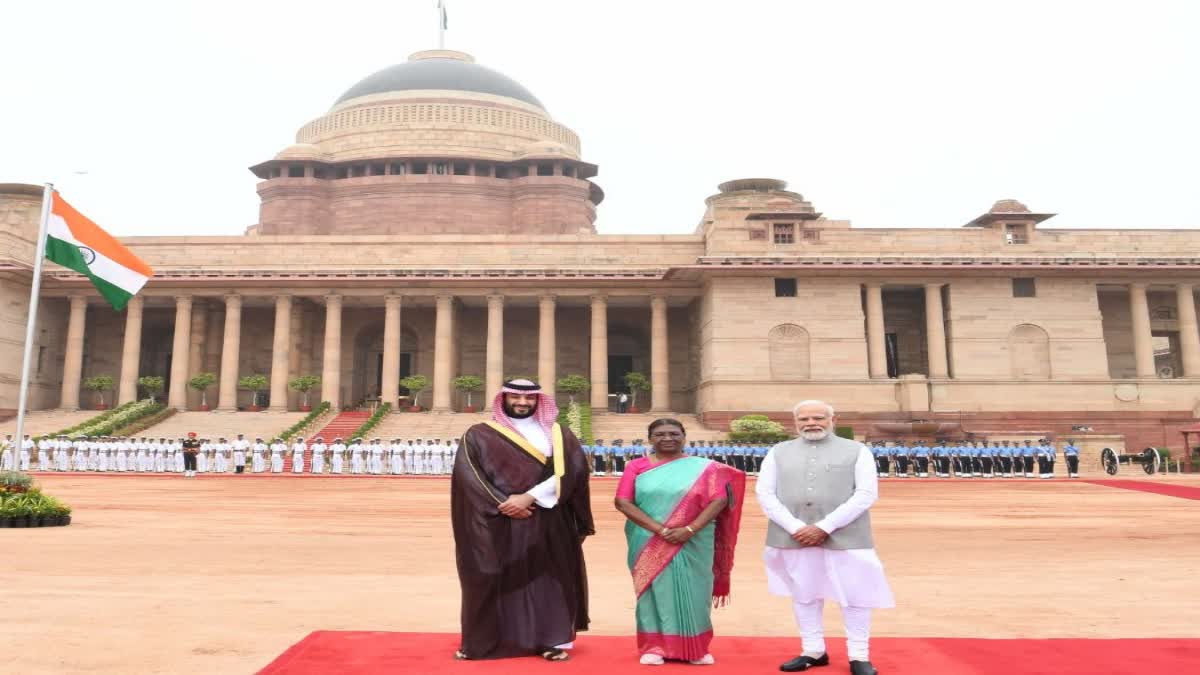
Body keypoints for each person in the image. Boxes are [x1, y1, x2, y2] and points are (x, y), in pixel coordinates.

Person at [451, 379, 593, 662]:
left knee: (550, 577)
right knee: (493, 577)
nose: (522, 403)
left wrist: (529, 497)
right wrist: (504, 503)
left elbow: (574, 471)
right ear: (503, 400)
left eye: (529, 399)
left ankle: (552, 639)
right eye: (515, 397)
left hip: (549, 519)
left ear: (538, 401)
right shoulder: (479, 434)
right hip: (499, 522)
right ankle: (487, 641)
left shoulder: (558, 433)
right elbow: (469, 476)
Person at [757, 400, 893, 675]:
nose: (811, 423)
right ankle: (813, 650)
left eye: (818, 417)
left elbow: (866, 494)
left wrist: (825, 526)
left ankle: (859, 655)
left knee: (855, 595)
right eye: (804, 419)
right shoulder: (778, 452)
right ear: (795, 422)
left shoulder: (857, 451)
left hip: (848, 535)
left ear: (833, 419)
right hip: (793, 535)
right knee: (804, 594)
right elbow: (765, 493)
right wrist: (796, 527)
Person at [614, 418, 745, 666]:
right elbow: (623, 502)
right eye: (660, 434)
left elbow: (718, 500)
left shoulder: (705, 468)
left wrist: (689, 529)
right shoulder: (636, 466)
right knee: (652, 591)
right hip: (647, 539)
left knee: (697, 591)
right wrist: (661, 530)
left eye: (674, 433)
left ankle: (696, 648)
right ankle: (653, 647)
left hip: (694, 540)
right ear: (650, 438)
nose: (667, 438)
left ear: (683, 436)